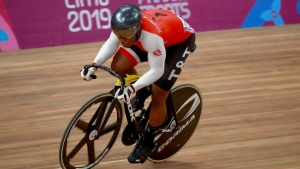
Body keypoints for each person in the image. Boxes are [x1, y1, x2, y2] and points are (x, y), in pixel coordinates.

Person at [81, 4, 196, 164]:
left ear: (138, 27)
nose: (122, 39)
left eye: (126, 35)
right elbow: (111, 43)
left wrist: (132, 88)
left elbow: (157, 70)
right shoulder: (124, 28)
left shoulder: (152, 37)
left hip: (178, 42)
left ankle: (149, 139)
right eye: (119, 34)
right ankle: (143, 89)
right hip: (153, 35)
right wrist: (94, 64)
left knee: (158, 94)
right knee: (118, 66)